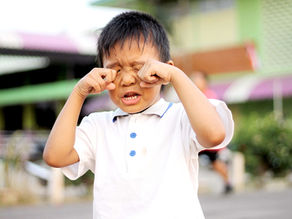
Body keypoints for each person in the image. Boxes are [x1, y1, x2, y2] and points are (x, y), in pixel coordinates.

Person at [43, 11, 234, 219]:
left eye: (139, 67)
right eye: (115, 70)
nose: (126, 80)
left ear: (164, 71)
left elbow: (214, 135)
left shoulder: (180, 117)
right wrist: (78, 93)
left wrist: (177, 76)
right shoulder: (98, 126)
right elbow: (56, 156)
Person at [190, 71, 233, 194]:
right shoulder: (192, 95)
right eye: (193, 79)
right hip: (195, 135)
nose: (195, 81)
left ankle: (228, 183)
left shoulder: (210, 96)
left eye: (198, 79)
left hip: (209, 136)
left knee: (215, 162)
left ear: (205, 81)